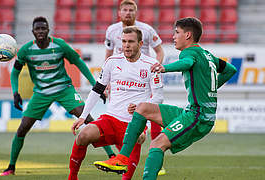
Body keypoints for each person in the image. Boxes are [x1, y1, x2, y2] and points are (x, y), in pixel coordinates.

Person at [94, 17, 237, 180]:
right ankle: (122, 158)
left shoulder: (189, 53)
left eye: (177, 33)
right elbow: (230, 70)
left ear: (188, 35)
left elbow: (187, 63)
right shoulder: (207, 54)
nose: (173, 37)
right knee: (143, 108)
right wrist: (209, 88)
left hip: (199, 116)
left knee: (157, 144)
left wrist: (165, 68)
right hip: (192, 112)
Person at [0, 16, 112, 176]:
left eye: (43, 28)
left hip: (64, 89)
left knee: (87, 118)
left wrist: (95, 85)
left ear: (48, 30)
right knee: (23, 128)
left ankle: (112, 155)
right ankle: (11, 167)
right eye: (37, 29)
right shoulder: (25, 50)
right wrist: (15, 92)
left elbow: (79, 62)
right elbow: (15, 72)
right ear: (33, 31)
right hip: (41, 93)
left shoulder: (59, 45)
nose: (40, 31)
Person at [68, 26, 163, 180]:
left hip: (134, 123)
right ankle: (72, 177)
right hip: (110, 119)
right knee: (83, 135)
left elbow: (158, 97)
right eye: (124, 41)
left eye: (131, 41)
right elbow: (97, 89)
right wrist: (83, 116)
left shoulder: (151, 65)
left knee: (139, 139)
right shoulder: (112, 62)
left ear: (140, 44)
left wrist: (141, 107)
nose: (126, 45)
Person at [104, 0, 166, 175]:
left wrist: (155, 69)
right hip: (120, 79)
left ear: (136, 12)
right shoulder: (111, 30)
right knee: (117, 117)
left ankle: (156, 159)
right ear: (119, 12)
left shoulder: (146, 30)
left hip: (143, 79)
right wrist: (107, 81)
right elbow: (108, 55)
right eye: (125, 10)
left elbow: (160, 51)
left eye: (131, 10)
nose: (128, 13)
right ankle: (123, 156)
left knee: (154, 117)